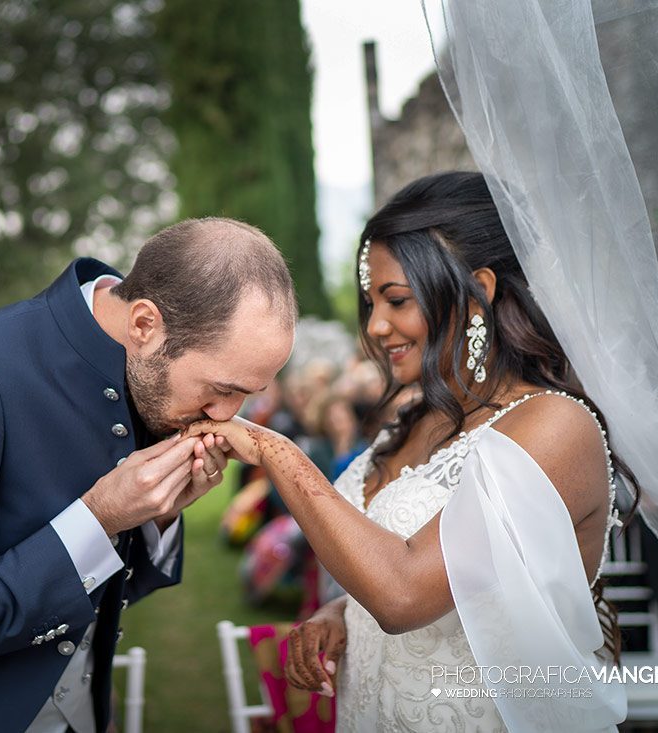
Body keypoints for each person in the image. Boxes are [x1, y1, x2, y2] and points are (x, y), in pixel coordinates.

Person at [188, 173, 634, 731]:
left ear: (479, 292)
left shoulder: (554, 426)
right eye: (371, 302)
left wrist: (276, 452)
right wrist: (343, 614)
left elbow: (402, 594)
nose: (376, 326)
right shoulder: (412, 421)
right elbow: (438, 585)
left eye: (396, 300)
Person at [0, 217, 296, 732]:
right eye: (221, 389)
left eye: (247, 396)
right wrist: (100, 518)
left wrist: (158, 517)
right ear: (144, 325)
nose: (226, 415)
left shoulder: (145, 373)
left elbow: (102, 595)